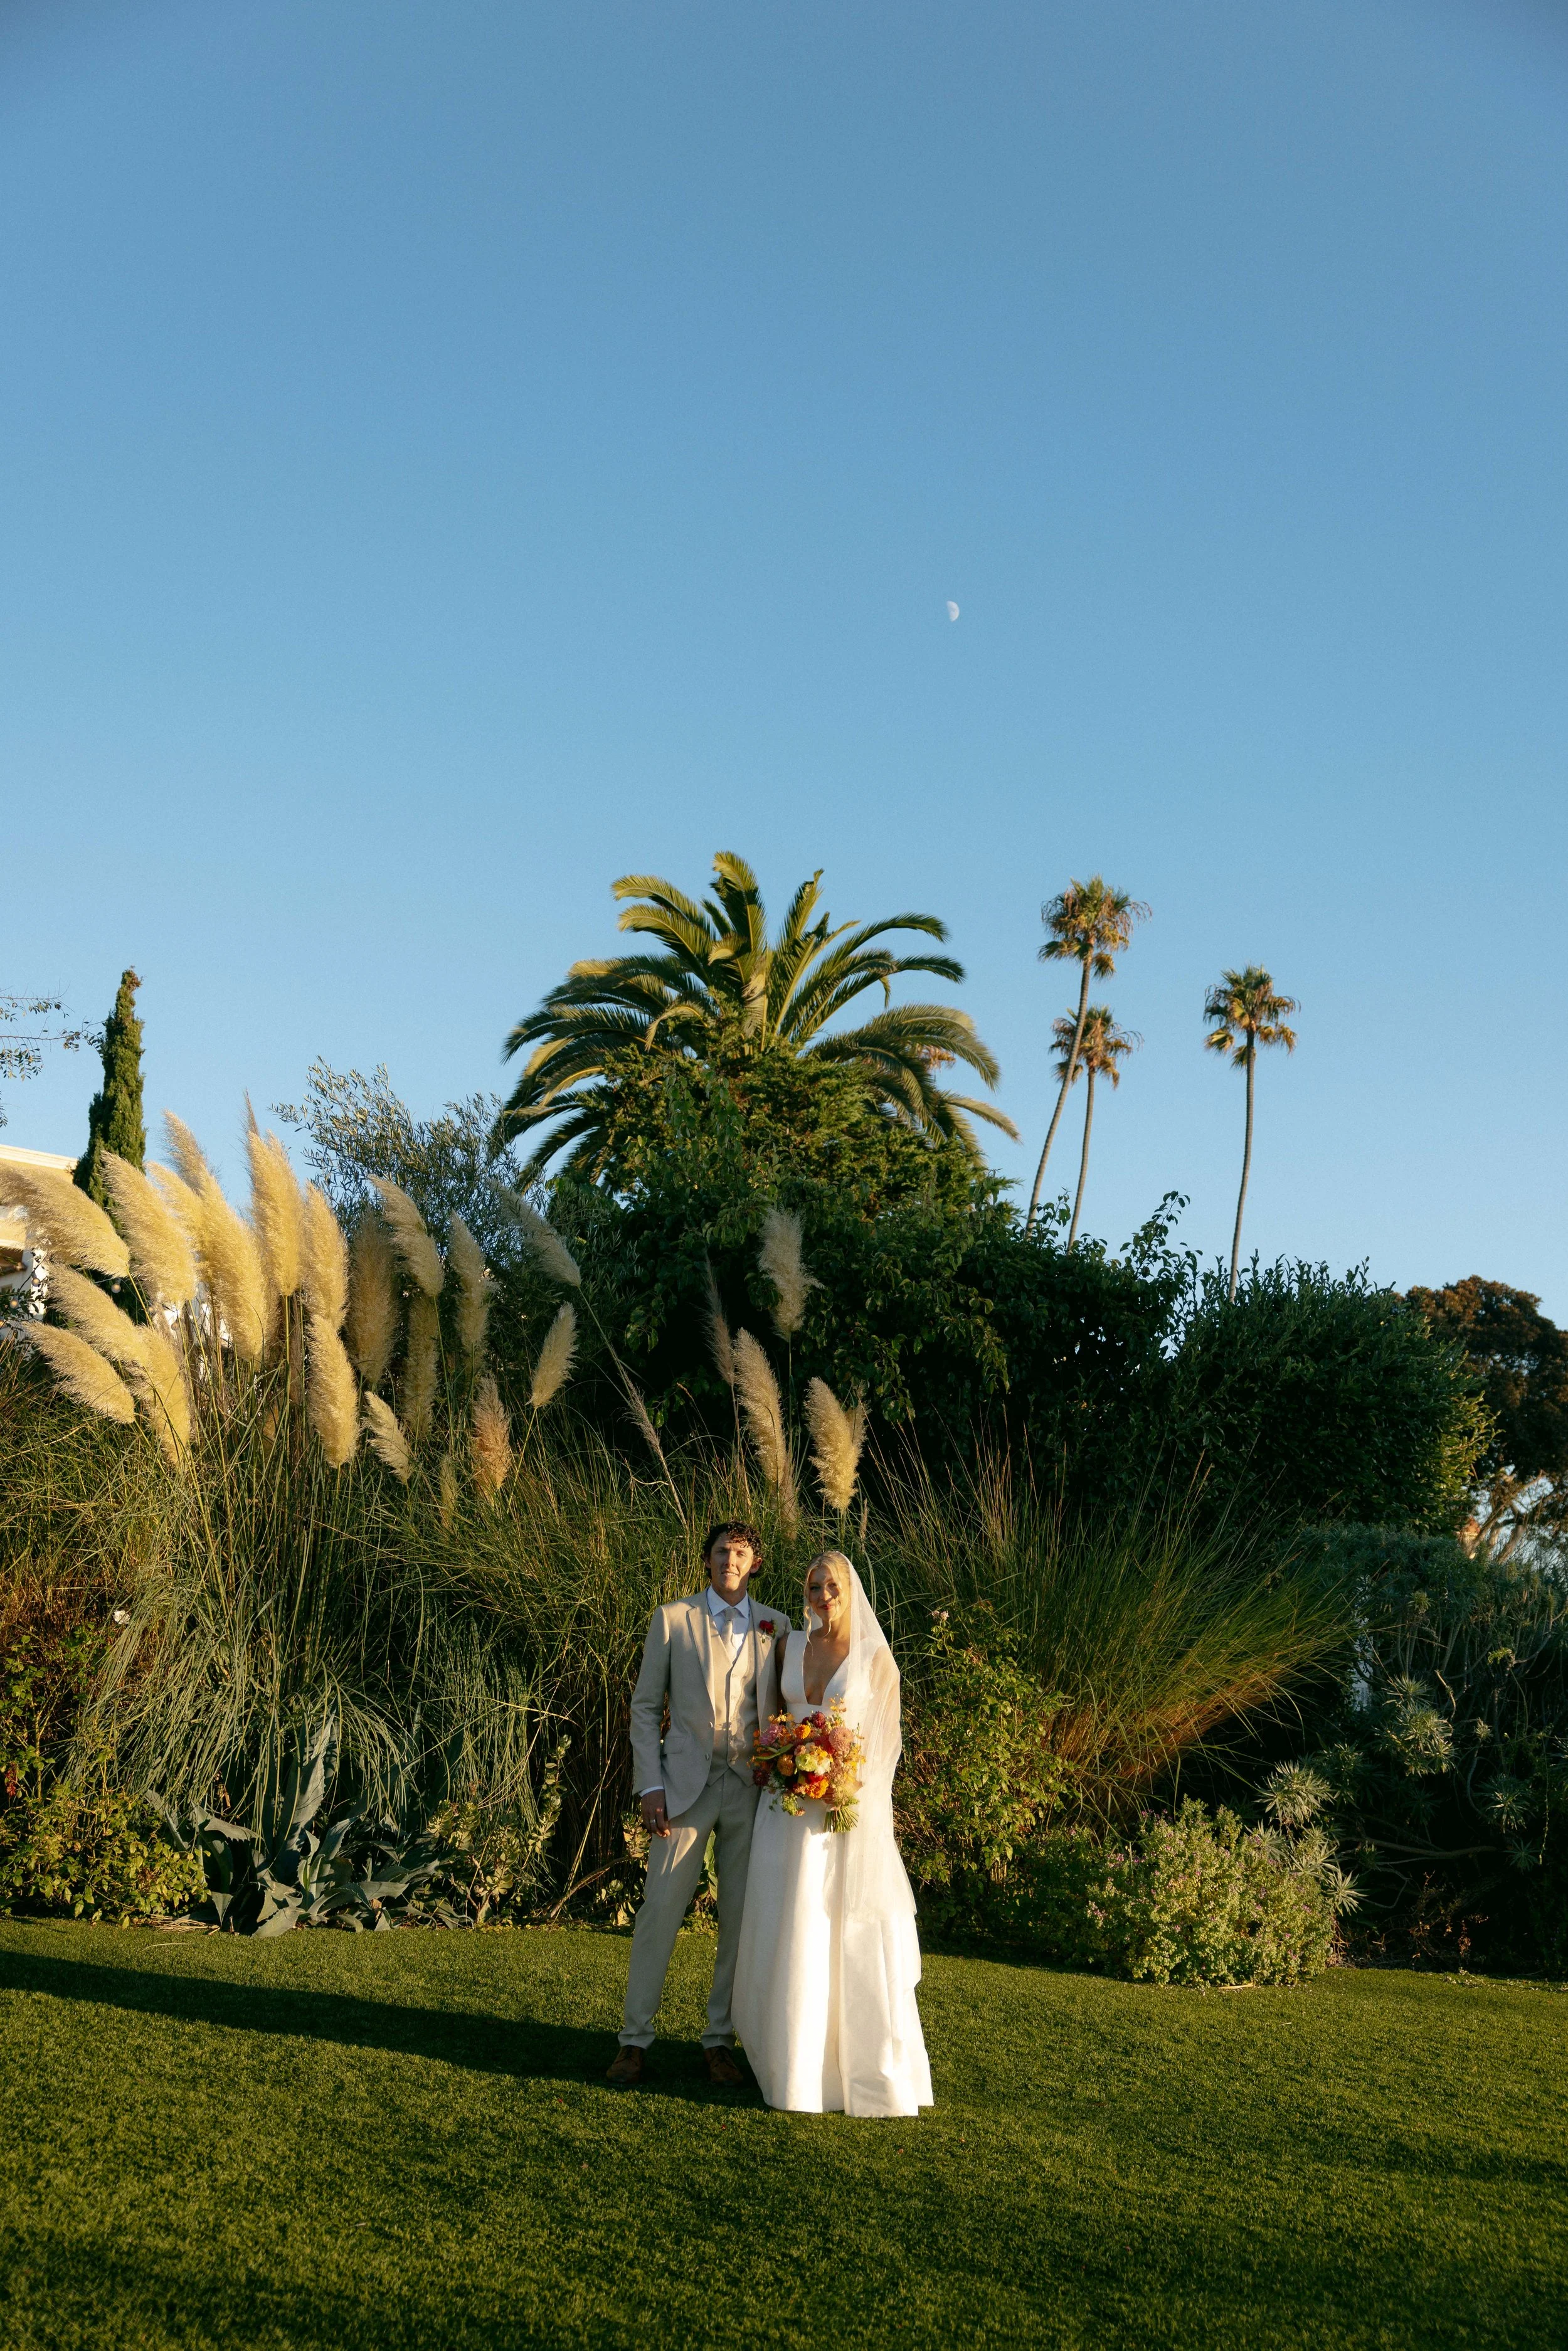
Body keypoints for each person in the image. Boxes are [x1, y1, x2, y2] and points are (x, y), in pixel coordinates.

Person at [732, 1549, 933, 2117]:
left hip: (844, 1813)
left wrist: (848, 1784)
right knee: (789, 1924)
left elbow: (887, 1744)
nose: (823, 1596)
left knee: (836, 1930)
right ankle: (790, 2064)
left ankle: (853, 2070)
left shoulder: (875, 1658)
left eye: (833, 1587)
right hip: (786, 1814)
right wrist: (784, 1761)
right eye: (815, 1586)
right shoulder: (788, 1646)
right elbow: (770, 1726)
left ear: (850, 1591)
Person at [606, 1520, 788, 2088]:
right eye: (720, 1552)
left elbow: (784, 1713)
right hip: (683, 1789)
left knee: (740, 1920)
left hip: (749, 1792)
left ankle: (718, 2041)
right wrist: (650, 1786)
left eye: (740, 1552)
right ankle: (634, 2041)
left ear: (755, 1562)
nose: (729, 1560)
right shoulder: (672, 1619)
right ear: (706, 1561)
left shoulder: (775, 1627)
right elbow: (643, 1708)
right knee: (659, 1912)